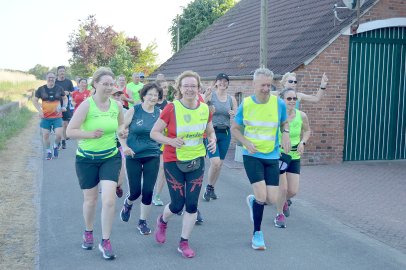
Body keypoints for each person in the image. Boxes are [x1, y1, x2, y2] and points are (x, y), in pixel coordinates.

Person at [150, 70, 216, 258]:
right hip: (173, 160)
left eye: (193, 86)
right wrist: (170, 141)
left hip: (197, 160)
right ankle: (162, 220)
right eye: (186, 86)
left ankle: (183, 242)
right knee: (178, 204)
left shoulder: (204, 109)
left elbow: (209, 130)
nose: (189, 89)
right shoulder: (171, 108)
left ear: (198, 88)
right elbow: (154, 133)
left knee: (192, 204)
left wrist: (212, 139)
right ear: (179, 88)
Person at [66, 67, 125, 260]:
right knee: (91, 200)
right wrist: (89, 134)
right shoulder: (86, 105)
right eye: (105, 84)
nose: (109, 87)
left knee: (109, 200)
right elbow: (70, 131)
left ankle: (105, 240)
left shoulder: (116, 105)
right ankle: (88, 231)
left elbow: (121, 125)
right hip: (86, 159)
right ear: (95, 85)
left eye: (111, 84)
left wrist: (123, 132)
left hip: (110, 156)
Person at [231, 67, 290, 250]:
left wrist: (286, 133)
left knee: (271, 199)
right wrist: (245, 143)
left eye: (268, 85)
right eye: (262, 85)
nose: (266, 88)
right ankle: (257, 234)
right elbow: (235, 129)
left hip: (272, 155)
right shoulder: (246, 104)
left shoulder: (278, 103)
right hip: (252, 155)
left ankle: (253, 201)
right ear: (254, 84)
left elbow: (284, 122)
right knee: (261, 195)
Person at [119, 83, 162, 234]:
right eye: (150, 94)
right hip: (133, 155)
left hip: (152, 155)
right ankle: (128, 203)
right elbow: (121, 130)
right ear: (143, 96)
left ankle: (142, 221)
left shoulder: (160, 113)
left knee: (148, 190)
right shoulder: (134, 110)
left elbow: (166, 132)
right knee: (135, 192)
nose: (153, 97)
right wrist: (124, 146)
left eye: (156, 95)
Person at [202, 73, 237, 201]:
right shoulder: (211, 96)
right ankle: (208, 188)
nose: (223, 83)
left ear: (228, 84)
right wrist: (206, 100)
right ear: (216, 82)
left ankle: (211, 187)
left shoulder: (231, 99)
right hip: (212, 132)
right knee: (215, 162)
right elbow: (200, 107)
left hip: (225, 133)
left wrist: (233, 113)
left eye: (225, 81)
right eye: (220, 81)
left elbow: (236, 114)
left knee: (220, 164)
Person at [278, 88, 311, 219]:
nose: (292, 101)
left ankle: (282, 201)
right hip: (279, 155)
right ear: (282, 100)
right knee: (284, 188)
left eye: (294, 99)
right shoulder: (278, 116)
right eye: (289, 98)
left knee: (292, 191)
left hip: (294, 156)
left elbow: (307, 131)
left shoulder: (301, 115)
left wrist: (303, 142)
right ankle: (279, 213)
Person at [33, 72, 68, 160]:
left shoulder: (59, 88)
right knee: (46, 135)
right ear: (46, 78)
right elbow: (35, 101)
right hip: (46, 117)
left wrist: (64, 106)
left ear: (55, 78)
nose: (51, 79)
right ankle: (48, 151)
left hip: (57, 117)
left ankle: (55, 146)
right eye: (49, 77)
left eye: (52, 77)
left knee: (59, 135)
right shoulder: (41, 89)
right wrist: (40, 111)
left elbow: (65, 98)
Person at [152, 79, 169, 206]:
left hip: (163, 140)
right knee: (150, 169)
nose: (166, 89)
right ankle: (145, 188)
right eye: (164, 87)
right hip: (149, 141)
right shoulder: (149, 103)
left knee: (163, 168)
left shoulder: (169, 105)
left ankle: (157, 195)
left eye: (167, 87)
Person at [110, 87, 128, 198]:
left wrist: (127, 132)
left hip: (120, 145)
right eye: (114, 95)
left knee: (122, 168)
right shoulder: (102, 110)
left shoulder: (125, 110)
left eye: (118, 95)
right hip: (106, 145)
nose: (117, 97)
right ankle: (108, 186)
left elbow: (129, 127)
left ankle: (117, 186)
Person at [54, 66, 74, 149]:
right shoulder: (55, 81)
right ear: (58, 72)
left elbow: (73, 92)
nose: (62, 72)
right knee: (59, 124)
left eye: (63, 71)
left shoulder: (68, 82)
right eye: (60, 71)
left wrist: (68, 92)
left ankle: (64, 139)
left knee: (65, 124)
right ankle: (61, 140)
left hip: (66, 105)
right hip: (56, 104)